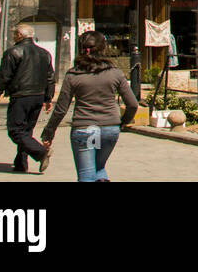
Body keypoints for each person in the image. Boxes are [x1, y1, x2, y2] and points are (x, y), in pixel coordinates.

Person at [39, 31, 137, 181]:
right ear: (104, 48)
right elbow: (132, 104)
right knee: (99, 168)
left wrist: (49, 132)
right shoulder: (115, 73)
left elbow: (61, 109)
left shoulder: (73, 75)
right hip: (109, 129)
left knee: (86, 174)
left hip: (85, 128)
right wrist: (123, 122)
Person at [0, 24, 55, 174]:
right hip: (38, 96)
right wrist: (48, 97)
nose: (13, 35)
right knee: (26, 131)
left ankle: (40, 152)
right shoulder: (44, 53)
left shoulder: (13, 52)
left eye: (14, 33)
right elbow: (50, 77)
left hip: (21, 96)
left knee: (16, 131)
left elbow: (4, 76)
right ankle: (21, 164)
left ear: (20, 35)